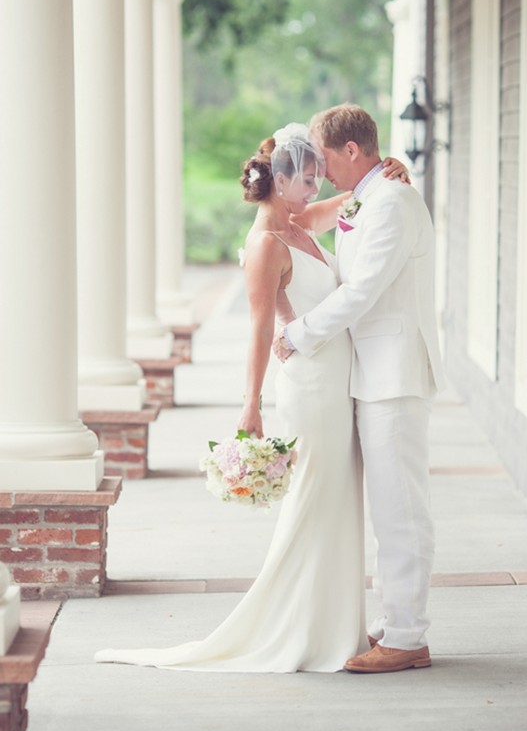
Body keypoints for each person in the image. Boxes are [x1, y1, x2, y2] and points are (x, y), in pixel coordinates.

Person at [95, 122, 409, 673]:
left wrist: (391, 171)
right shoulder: (265, 245)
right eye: (307, 178)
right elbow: (261, 330)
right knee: (314, 500)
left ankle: (335, 625)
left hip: (340, 381)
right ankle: (298, 628)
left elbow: (354, 198)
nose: (316, 187)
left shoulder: (302, 221)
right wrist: (251, 404)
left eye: (317, 177)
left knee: (337, 500)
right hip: (309, 385)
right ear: (281, 180)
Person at [273, 104, 445, 675]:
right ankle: (397, 620)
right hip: (370, 374)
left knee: (401, 510)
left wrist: (298, 334)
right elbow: (309, 220)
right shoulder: (369, 194)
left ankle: (407, 636)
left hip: (394, 374)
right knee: (388, 508)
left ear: (352, 151)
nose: (320, 171)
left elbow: (362, 291)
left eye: (324, 159)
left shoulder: (392, 201)